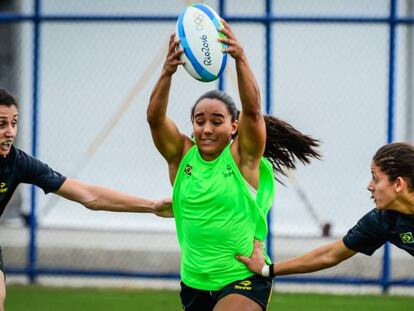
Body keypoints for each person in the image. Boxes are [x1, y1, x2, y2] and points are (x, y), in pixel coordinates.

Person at [147, 19, 320, 311]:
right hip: (194, 281)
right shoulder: (180, 157)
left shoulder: (244, 158)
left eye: (217, 121)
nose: (207, 128)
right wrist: (167, 72)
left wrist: (241, 58)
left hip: (243, 277)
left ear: (234, 126)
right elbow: (154, 118)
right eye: (200, 121)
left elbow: (253, 112)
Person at [0, 88, 173, 311]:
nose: (10, 132)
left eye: (14, 123)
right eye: (2, 124)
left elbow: (89, 196)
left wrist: (151, 206)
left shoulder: (18, 163)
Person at [237, 142, 414, 279]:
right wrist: (267, 270)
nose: (369, 186)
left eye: (375, 178)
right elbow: (330, 255)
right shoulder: (382, 220)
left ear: (398, 184)